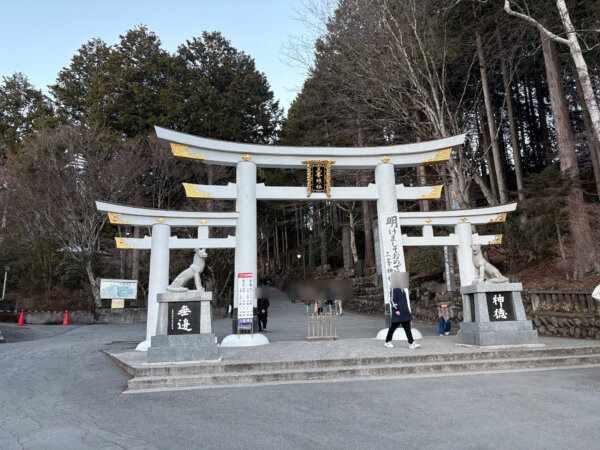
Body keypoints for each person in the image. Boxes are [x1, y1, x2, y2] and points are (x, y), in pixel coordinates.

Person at [384, 272, 420, 349]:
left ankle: (411, 342)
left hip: (404, 312)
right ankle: (387, 341)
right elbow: (392, 300)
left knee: (407, 328)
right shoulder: (394, 288)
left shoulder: (402, 288)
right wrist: (396, 309)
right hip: (398, 312)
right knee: (393, 327)